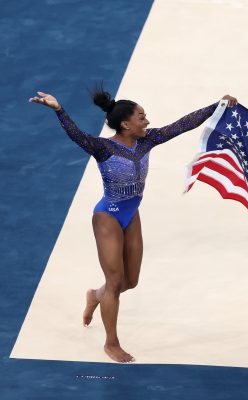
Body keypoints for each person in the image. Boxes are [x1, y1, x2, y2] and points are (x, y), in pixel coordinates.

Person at [29, 87, 237, 362]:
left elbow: (183, 124)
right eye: (141, 117)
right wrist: (59, 110)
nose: (147, 121)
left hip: (131, 212)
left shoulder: (148, 140)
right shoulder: (102, 148)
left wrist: (216, 106)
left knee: (130, 281)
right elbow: (76, 135)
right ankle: (111, 343)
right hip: (108, 215)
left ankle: (95, 295)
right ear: (126, 124)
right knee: (115, 281)